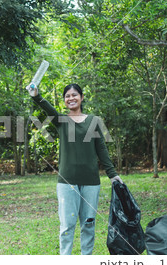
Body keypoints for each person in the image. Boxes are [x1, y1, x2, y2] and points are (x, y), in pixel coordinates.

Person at [26, 83, 122, 255]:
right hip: (66, 182)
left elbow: (101, 149)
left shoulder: (93, 121)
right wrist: (36, 96)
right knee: (67, 226)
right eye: (67, 96)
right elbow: (48, 109)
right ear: (64, 100)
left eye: (74, 95)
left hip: (91, 182)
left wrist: (112, 174)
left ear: (82, 97)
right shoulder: (61, 120)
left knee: (88, 224)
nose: (71, 98)